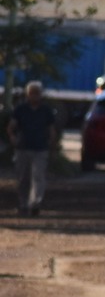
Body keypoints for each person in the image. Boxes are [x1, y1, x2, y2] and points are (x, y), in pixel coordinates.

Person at [8, 81, 57, 217]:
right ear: (27, 94)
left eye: (37, 93)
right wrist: (12, 137)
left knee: (38, 176)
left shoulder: (46, 110)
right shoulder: (20, 109)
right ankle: (23, 203)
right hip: (23, 147)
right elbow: (11, 127)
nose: (34, 96)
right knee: (23, 177)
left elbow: (51, 130)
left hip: (40, 148)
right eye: (31, 93)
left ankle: (35, 202)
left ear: (40, 95)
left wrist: (52, 146)